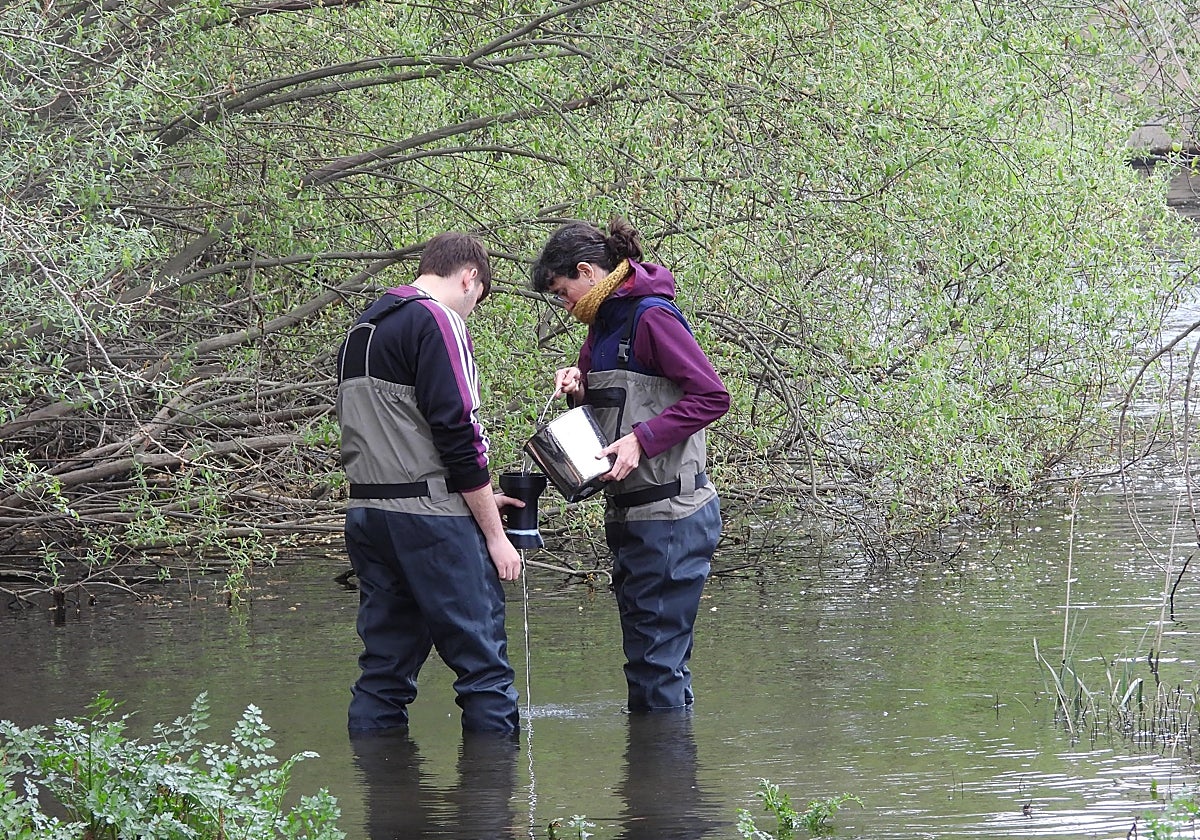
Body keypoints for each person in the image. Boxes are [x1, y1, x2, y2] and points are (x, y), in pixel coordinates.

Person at [530, 217, 730, 712]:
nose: (564, 305)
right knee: (651, 666)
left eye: (563, 292)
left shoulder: (652, 317)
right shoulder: (601, 325)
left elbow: (712, 396)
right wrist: (579, 386)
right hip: (631, 516)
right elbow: (615, 408)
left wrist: (642, 440)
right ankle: (663, 760)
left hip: (672, 516)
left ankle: (660, 762)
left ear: (587, 272)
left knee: (655, 670)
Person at [336, 231, 524, 735]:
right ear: (469, 278)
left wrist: (477, 500)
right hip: (431, 523)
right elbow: (458, 433)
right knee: (485, 671)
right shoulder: (438, 320)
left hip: (369, 517)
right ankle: (494, 787)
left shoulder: (362, 329)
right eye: (477, 299)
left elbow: (397, 435)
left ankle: (380, 781)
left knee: (383, 673)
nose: (470, 312)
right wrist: (495, 535)